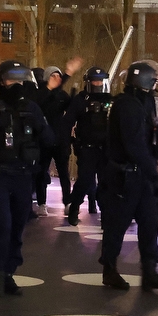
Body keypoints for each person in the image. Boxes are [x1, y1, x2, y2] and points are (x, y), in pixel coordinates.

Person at [0, 60, 55, 297]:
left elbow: (50, 140)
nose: (16, 84)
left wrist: (39, 126)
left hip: (25, 175)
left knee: (17, 227)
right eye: (11, 79)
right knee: (3, 224)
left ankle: (8, 272)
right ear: (1, 81)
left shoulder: (32, 107)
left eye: (20, 80)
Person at [99, 61, 158, 292]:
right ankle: (110, 269)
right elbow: (134, 144)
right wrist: (153, 173)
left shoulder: (142, 103)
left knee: (149, 221)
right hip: (126, 175)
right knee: (118, 223)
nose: (156, 85)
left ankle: (150, 269)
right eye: (154, 81)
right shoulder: (128, 106)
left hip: (139, 172)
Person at [63, 67, 112, 225]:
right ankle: (74, 208)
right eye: (94, 81)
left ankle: (106, 216)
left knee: (106, 183)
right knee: (84, 181)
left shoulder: (111, 100)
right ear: (88, 82)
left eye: (100, 81)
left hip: (106, 149)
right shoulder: (81, 100)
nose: (97, 84)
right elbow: (68, 121)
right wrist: (68, 140)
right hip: (87, 147)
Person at [33, 66, 72, 216]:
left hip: (60, 139)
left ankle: (67, 202)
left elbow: (71, 109)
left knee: (64, 172)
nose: (56, 79)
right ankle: (42, 203)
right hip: (44, 138)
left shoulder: (62, 95)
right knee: (41, 171)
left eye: (58, 76)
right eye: (53, 76)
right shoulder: (40, 94)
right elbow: (38, 104)